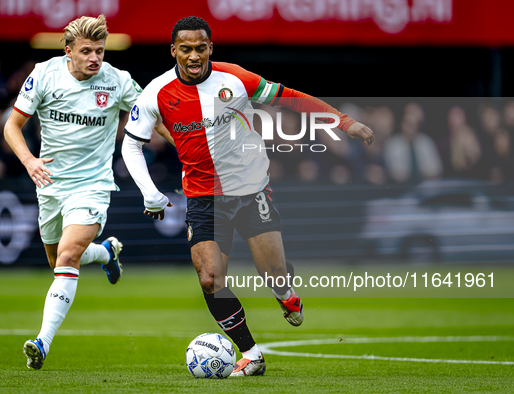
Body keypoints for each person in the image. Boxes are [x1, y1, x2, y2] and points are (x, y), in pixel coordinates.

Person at [122, 16, 374, 377]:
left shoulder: (236, 78)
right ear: (173, 49)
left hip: (249, 188)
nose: (194, 56)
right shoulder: (156, 93)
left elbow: (290, 98)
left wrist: (344, 122)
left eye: (200, 48)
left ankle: (286, 294)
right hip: (203, 196)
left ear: (211, 47)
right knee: (209, 278)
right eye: (186, 48)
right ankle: (251, 354)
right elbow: (132, 145)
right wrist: (150, 193)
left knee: (273, 273)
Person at [4, 15, 141, 370]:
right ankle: (106, 253)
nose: (95, 58)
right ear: (69, 51)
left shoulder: (117, 81)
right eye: (86, 51)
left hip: (93, 185)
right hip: (50, 185)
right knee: (58, 260)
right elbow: (12, 126)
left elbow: (150, 115)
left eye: (99, 50)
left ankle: (42, 343)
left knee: (66, 258)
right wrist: (29, 160)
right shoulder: (45, 74)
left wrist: (187, 151)